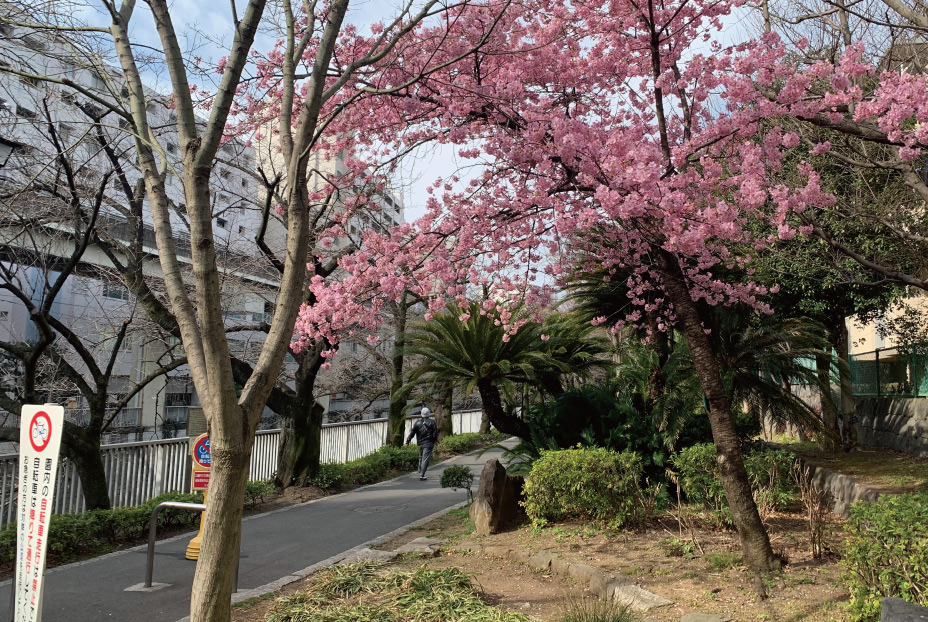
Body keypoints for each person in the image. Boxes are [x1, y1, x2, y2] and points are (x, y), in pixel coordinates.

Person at [405, 407, 438, 480]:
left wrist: (407, 441)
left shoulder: (417, 423)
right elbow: (435, 434)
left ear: (421, 414)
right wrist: (435, 441)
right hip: (428, 443)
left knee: (421, 457)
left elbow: (412, 433)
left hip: (420, 443)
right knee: (425, 459)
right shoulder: (432, 422)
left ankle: (420, 470)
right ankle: (422, 475)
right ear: (429, 413)